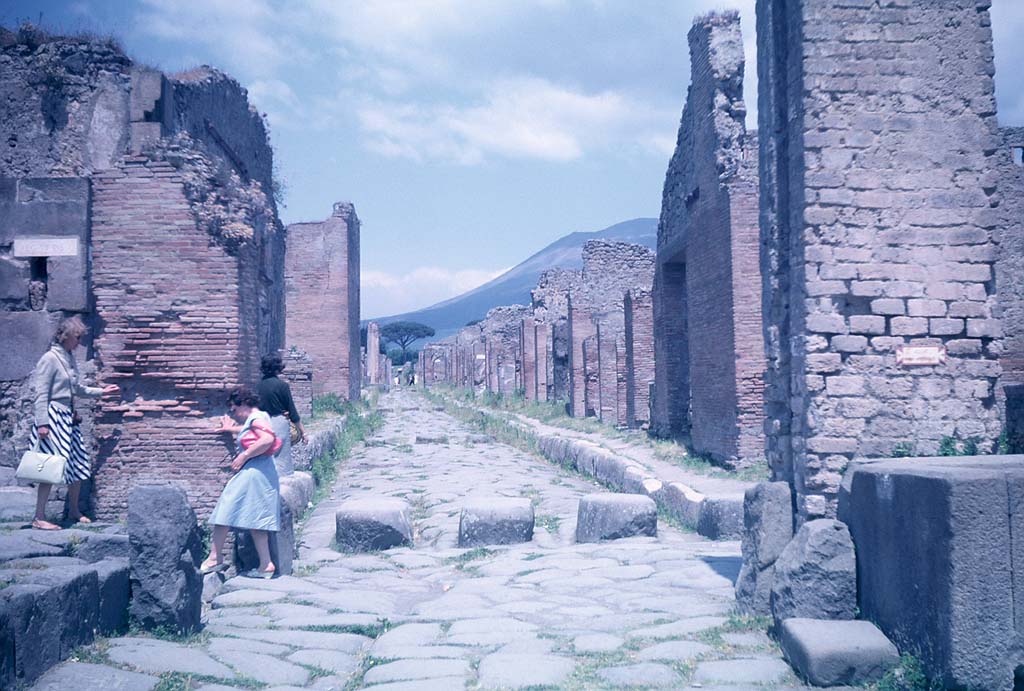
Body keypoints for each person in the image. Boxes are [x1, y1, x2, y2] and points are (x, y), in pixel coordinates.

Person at [29, 316, 119, 530]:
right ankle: (38, 517)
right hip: (52, 417)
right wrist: (43, 423)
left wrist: (101, 392)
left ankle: (74, 510)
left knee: (78, 463)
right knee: (49, 465)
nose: (79, 342)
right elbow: (40, 393)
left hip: (68, 417)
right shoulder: (50, 359)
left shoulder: (68, 358)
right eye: (77, 337)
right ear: (66, 336)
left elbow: (77, 389)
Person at [203, 386, 281, 578]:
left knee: (225, 508)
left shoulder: (256, 418)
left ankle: (215, 556)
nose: (234, 414)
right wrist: (232, 429)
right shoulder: (261, 416)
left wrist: (243, 456)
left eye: (234, 409)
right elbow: (252, 429)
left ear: (244, 403)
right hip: (264, 471)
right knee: (257, 517)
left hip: (253, 471)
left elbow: (267, 439)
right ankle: (266, 564)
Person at [256, 353, 305, 476]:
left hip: (261, 421)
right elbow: (292, 411)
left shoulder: (258, 386)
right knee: (281, 455)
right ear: (278, 367)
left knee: (264, 452)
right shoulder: (282, 386)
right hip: (279, 421)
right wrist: (303, 432)